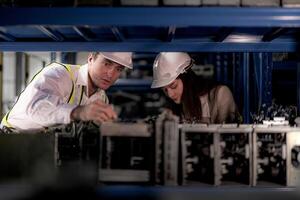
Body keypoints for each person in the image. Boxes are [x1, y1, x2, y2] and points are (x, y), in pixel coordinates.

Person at [1, 52, 133, 131]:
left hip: (49, 148)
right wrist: (79, 112)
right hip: (13, 141)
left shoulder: (101, 98)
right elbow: (36, 109)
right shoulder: (59, 74)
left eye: (119, 69)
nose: (111, 74)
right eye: (107, 63)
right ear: (91, 59)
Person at [151, 52, 240, 124]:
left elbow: (227, 138)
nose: (170, 94)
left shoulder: (220, 95)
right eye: (165, 90)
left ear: (187, 78)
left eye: (173, 86)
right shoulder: (175, 107)